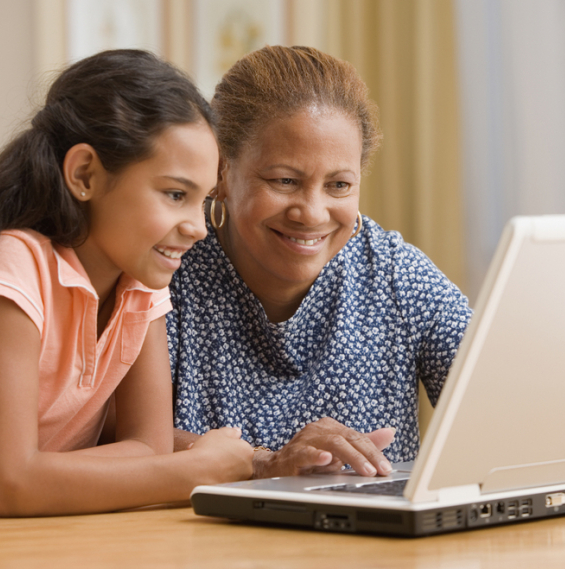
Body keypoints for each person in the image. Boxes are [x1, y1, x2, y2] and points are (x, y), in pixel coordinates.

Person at [0, 49, 252, 516]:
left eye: (203, 201)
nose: (198, 227)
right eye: (175, 194)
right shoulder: (14, 271)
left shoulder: (141, 282)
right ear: (84, 175)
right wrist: (196, 471)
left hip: (28, 521)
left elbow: (148, 449)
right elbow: (17, 486)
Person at [168, 45, 472, 479]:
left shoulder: (397, 276)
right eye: (284, 180)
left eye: (339, 185)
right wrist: (264, 463)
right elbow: (116, 435)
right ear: (221, 172)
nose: (311, 213)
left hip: (376, 544)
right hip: (198, 542)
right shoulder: (168, 270)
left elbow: (495, 408)